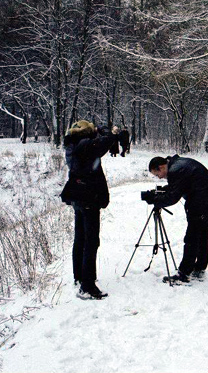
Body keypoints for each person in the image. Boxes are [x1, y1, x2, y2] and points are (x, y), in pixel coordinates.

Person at [62, 121, 119, 300]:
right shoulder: (85, 145)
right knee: (91, 242)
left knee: (80, 239)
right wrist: (104, 130)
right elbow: (107, 141)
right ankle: (87, 285)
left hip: (78, 196)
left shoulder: (73, 144)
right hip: (88, 197)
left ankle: (79, 277)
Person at [148, 155, 208, 283]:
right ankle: (200, 267)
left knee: (192, 237)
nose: (159, 177)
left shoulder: (176, 170)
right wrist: (161, 192)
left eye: (157, 174)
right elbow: (179, 186)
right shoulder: (178, 164)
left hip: (203, 204)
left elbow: (173, 197)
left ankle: (183, 273)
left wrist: (155, 200)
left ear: (162, 167)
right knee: (202, 234)